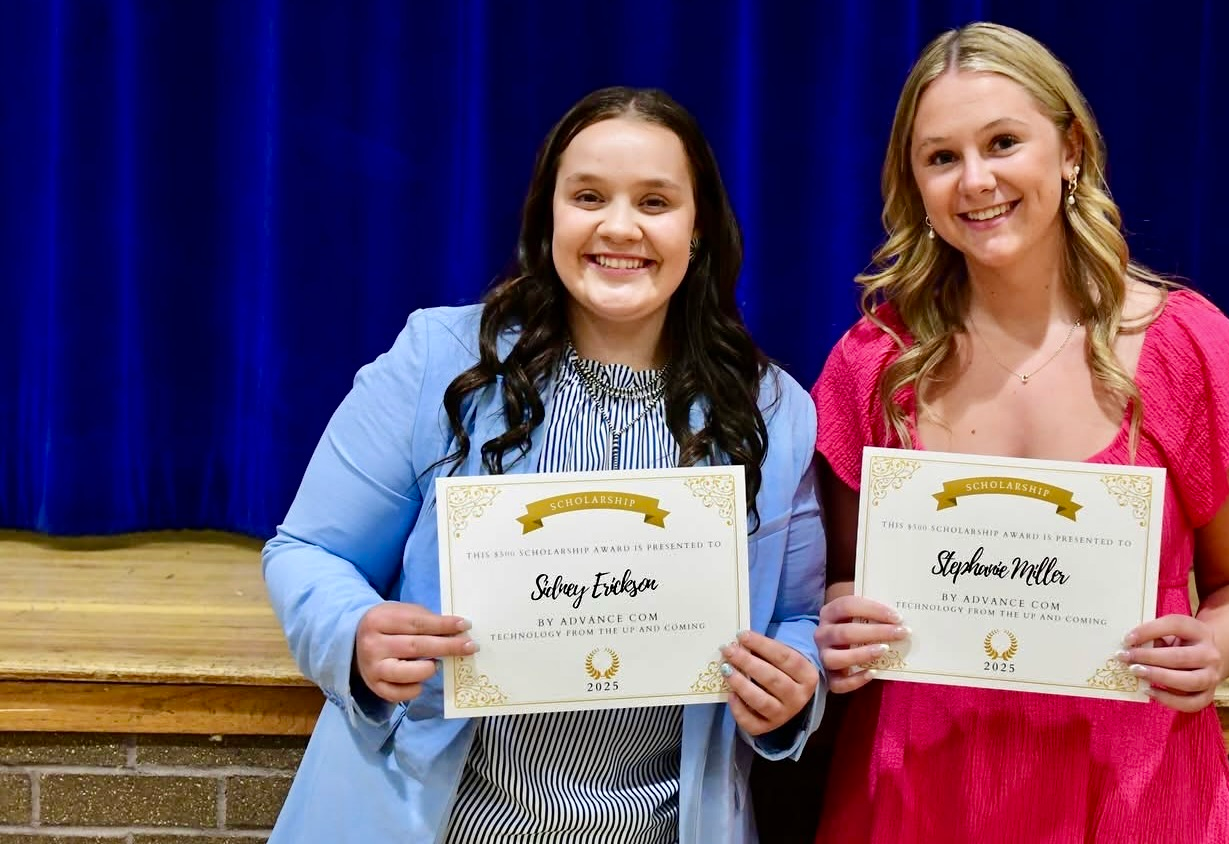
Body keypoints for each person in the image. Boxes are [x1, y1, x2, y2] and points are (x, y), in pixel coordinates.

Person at [262, 86, 827, 843]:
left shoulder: (773, 410)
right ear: (549, 217)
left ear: (698, 229)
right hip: (434, 819)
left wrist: (791, 685)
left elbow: (796, 616)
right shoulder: (440, 360)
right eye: (588, 196)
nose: (619, 226)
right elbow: (308, 552)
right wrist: (356, 634)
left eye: (655, 202)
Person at [810, 23, 1229, 843]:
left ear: (1070, 149)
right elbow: (841, 586)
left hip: (1135, 789)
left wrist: (1212, 648)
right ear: (914, 183)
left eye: (1004, 142)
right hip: (920, 790)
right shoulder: (872, 365)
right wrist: (840, 624)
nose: (976, 180)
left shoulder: (1192, 350)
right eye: (941, 157)